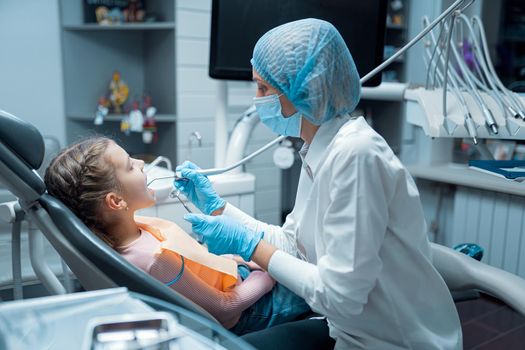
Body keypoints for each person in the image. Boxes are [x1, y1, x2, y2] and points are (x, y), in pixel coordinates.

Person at [175, 18, 462, 349]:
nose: (257, 100)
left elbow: (340, 298)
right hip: (351, 331)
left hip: (395, 341)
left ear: (304, 90)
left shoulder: (356, 155)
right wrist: (219, 208)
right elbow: (294, 245)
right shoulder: (319, 149)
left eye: (264, 88)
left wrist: (250, 247)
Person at [43, 137, 310, 335]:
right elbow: (227, 307)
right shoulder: (155, 260)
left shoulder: (135, 230)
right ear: (115, 201)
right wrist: (269, 271)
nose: (140, 162)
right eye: (129, 166)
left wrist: (243, 258)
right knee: (316, 287)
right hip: (251, 308)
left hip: (243, 278)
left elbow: (202, 261)